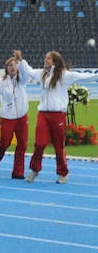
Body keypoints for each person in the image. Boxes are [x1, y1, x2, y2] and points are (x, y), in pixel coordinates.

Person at [17, 50, 98, 184]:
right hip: (43, 114)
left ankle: (63, 173)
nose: (45, 60)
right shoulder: (42, 74)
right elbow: (29, 71)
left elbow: (83, 76)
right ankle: (34, 170)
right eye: (45, 58)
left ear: (55, 61)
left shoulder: (64, 75)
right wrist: (20, 60)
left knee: (58, 145)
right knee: (40, 143)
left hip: (58, 115)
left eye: (48, 59)